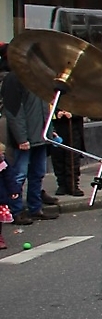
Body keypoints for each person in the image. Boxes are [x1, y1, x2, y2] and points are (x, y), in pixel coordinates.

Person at [2, 45, 59, 224]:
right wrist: (21, 137)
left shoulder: (39, 79)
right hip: (25, 138)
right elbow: (13, 111)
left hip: (39, 136)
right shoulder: (14, 78)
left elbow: (45, 108)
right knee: (19, 175)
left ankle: (35, 208)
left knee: (37, 174)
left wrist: (49, 130)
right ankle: (16, 210)